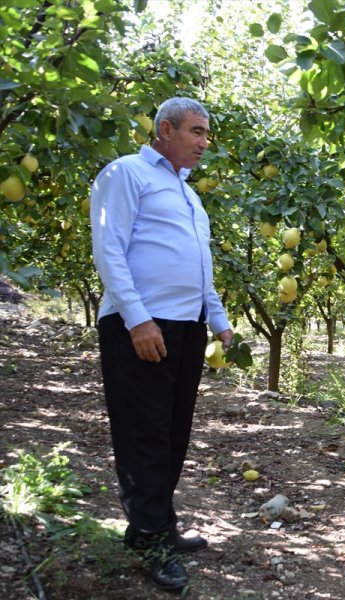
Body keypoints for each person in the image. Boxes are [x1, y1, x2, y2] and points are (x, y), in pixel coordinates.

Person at [90, 97, 233, 592]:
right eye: (196, 131)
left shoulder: (189, 195)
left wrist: (218, 320)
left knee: (173, 432)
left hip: (186, 327)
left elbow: (200, 265)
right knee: (143, 433)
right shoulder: (126, 173)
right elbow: (109, 248)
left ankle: (153, 525)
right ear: (165, 130)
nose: (204, 142)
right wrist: (137, 318)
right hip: (142, 324)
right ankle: (152, 538)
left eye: (206, 133)